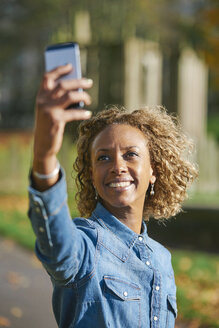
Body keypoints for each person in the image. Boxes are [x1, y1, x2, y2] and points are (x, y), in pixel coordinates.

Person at [28, 64, 198, 328]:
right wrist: (44, 158)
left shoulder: (162, 258)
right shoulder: (85, 245)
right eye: (103, 157)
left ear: (154, 170)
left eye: (130, 154)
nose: (117, 166)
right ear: (92, 175)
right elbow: (57, 246)